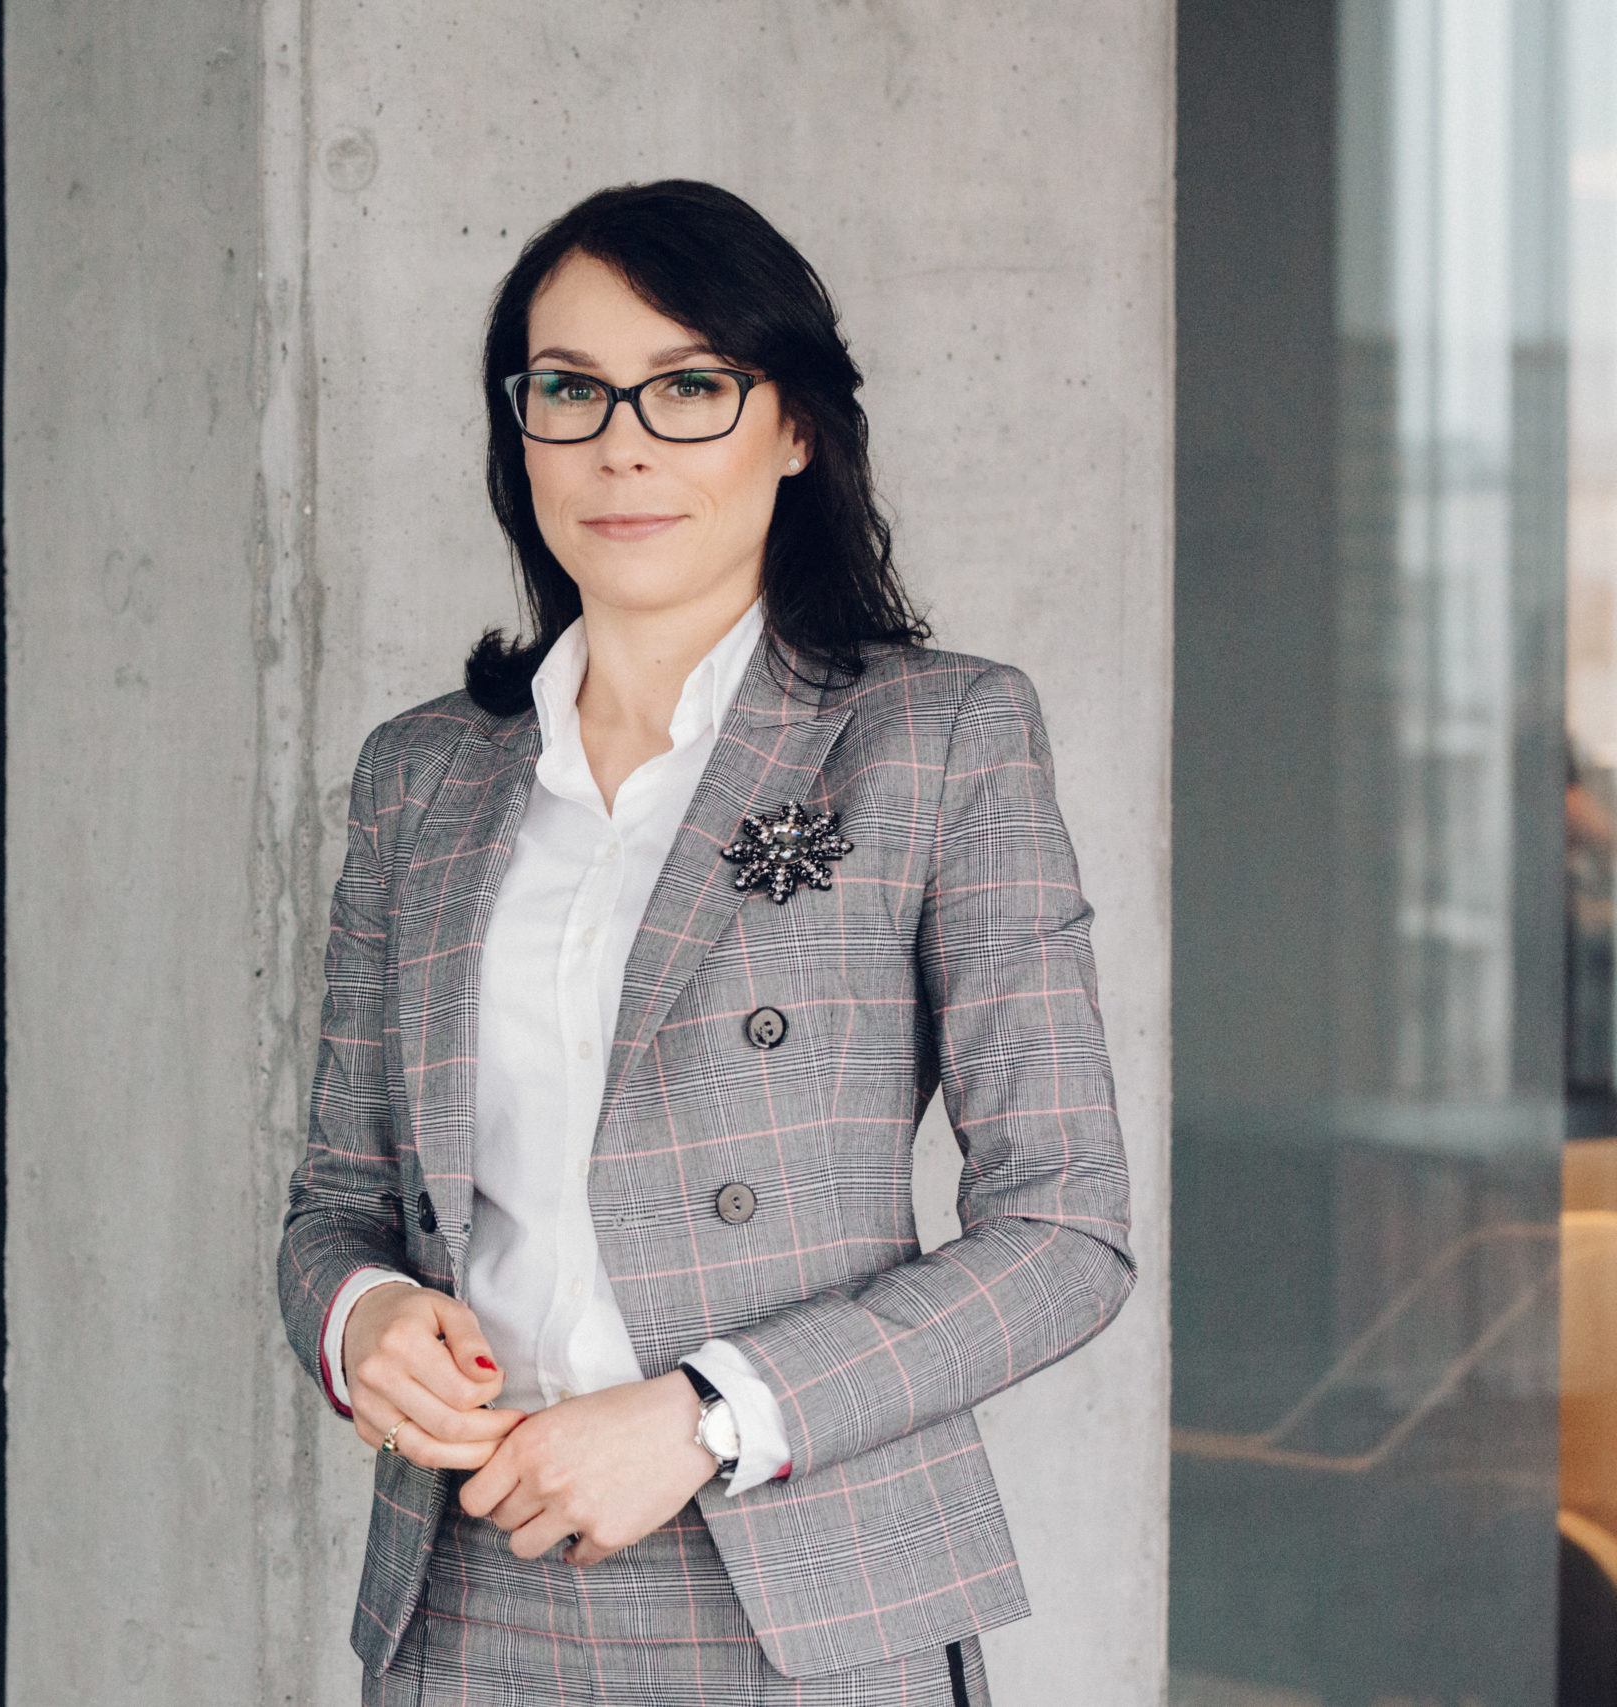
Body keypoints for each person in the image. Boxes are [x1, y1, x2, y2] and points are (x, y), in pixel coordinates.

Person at [277, 181, 1135, 1707]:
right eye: (571, 390)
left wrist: (702, 1417)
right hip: (472, 1589)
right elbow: (337, 1202)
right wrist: (367, 1323)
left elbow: (1067, 1234)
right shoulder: (422, 777)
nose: (622, 445)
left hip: (809, 1597)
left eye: (688, 387)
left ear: (794, 425)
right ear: (521, 430)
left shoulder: (938, 738)